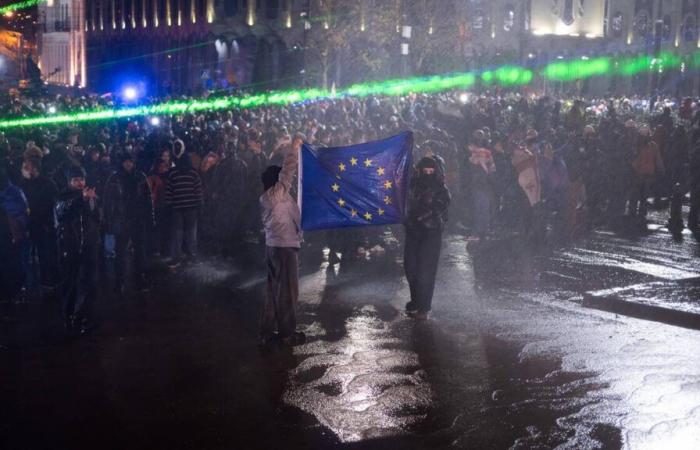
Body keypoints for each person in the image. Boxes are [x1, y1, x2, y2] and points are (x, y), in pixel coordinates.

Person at [259, 134, 304, 346]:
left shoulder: (271, 197)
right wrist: (294, 148)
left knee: (273, 289)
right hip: (284, 248)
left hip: (275, 246)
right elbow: (287, 172)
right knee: (288, 292)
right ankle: (286, 333)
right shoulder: (276, 194)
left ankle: (268, 330)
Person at [403, 155, 451, 320]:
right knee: (411, 268)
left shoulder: (441, 188)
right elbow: (404, 202)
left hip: (431, 233)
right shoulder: (411, 186)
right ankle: (415, 301)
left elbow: (442, 205)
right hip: (413, 232)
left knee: (426, 271)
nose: (428, 174)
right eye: (425, 170)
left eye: (431, 171)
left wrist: (422, 216)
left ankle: (424, 307)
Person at [55, 166, 100, 335]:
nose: (80, 183)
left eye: (81, 179)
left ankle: (85, 316)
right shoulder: (63, 195)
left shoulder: (90, 195)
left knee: (90, 282)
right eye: (76, 180)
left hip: (89, 246)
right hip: (70, 246)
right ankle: (69, 316)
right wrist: (82, 199)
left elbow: (96, 217)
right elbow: (62, 211)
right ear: (70, 181)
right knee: (69, 283)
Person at [103, 153, 153, 293]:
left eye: (130, 162)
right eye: (126, 162)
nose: (128, 164)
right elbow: (108, 201)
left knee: (139, 251)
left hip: (137, 219)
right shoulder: (114, 178)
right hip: (122, 220)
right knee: (120, 252)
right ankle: (120, 280)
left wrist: (149, 217)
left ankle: (140, 278)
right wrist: (108, 220)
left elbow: (147, 199)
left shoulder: (140, 177)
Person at [19, 157, 58, 294]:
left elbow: (52, 206)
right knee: (28, 256)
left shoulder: (48, 184)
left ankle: (46, 282)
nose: (23, 169)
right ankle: (30, 282)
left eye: (26, 166)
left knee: (44, 255)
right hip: (30, 225)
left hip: (42, 226)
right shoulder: (23, 183)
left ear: (34, 169)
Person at [165, 140, 203, 266]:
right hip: (191, 207)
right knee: (191, 233)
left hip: (178, 208)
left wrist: (169, 204)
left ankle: (178, 256)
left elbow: (169, 191)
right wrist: (200, 204)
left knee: (178, 233)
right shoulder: (193, 173)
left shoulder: (173, 173)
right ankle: (192, 255)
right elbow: (198, 190)